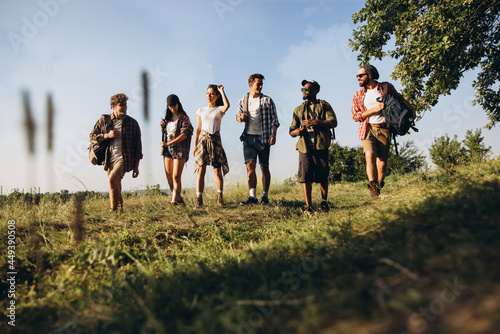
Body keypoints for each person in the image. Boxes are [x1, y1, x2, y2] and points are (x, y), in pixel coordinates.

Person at [351, 64, 415, 198]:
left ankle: (379, 186)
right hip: (367, 129)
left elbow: (399, 98)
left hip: (384, 129)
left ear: (369, 75)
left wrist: (411, 110)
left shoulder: (385, 87)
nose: (358, 78)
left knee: (382, 164)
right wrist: (374, 110)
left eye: (361, 75)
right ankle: (373, 186)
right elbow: (356, 116)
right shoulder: (358, 95)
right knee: (369, 156)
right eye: (357, 76)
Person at [289, 80, 337, 213]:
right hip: (304, 147)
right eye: (303, 89)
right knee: (305, 177)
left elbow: (333, 122)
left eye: (307, 89)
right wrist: (297, 132)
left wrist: (316, 122)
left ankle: (324, 202)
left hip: (321, 145)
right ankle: (308, 205)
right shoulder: (298, 109)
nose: (304, 91)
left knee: (323, 176)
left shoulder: (324, 105)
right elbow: (291, 130)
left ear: (316, 90)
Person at [90, 93, 142, 211]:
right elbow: (92, 137)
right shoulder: (104, 120)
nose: (124, 107)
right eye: (121, 105)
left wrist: (136, 166)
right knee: (115, 184)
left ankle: (113, 210)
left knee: (112, 179)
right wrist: (107, 135)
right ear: (113, 106)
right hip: (108, 159)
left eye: (125, 104)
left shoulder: (132, 123)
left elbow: (138, 147)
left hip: (124, 158)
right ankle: (120, 211)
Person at [236, 73, 280, 205]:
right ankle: (253, 197)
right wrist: (241, 118)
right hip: (248, 137)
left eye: (261, 84)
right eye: (258, 84)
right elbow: (237, 116)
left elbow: (275, 120)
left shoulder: (268, 100)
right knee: (250, 166)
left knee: (264, 167)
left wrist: (274, 134)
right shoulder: (243, 100)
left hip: (264, 137)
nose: (260, 86)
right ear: (250, 84)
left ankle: (265, 196)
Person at [193, 84, 230, 208]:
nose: (209, 96)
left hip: (215, 140)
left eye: (212, 94)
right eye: (207, 93)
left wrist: (221, 91)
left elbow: (227, 106)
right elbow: (198, 129)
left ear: (216, 96)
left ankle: (220, 197)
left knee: (217, 171)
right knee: (201, 170)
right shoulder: (201, 110)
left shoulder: (219, 109)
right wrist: (195, 145)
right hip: (203, 140)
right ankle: (199, 199)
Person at [160, 94, 193, 205]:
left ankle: (174, 202)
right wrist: (163, 128)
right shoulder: (167, 119)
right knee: (169, 178)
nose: (172, 108)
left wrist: (169, 142)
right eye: (170, 106)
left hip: (180, 148)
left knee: (176, 176)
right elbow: (166, 133)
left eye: (174, 106)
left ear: (178, 104)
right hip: (167, 149)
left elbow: (184, 134)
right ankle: (179, 199)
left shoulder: (184, 118)